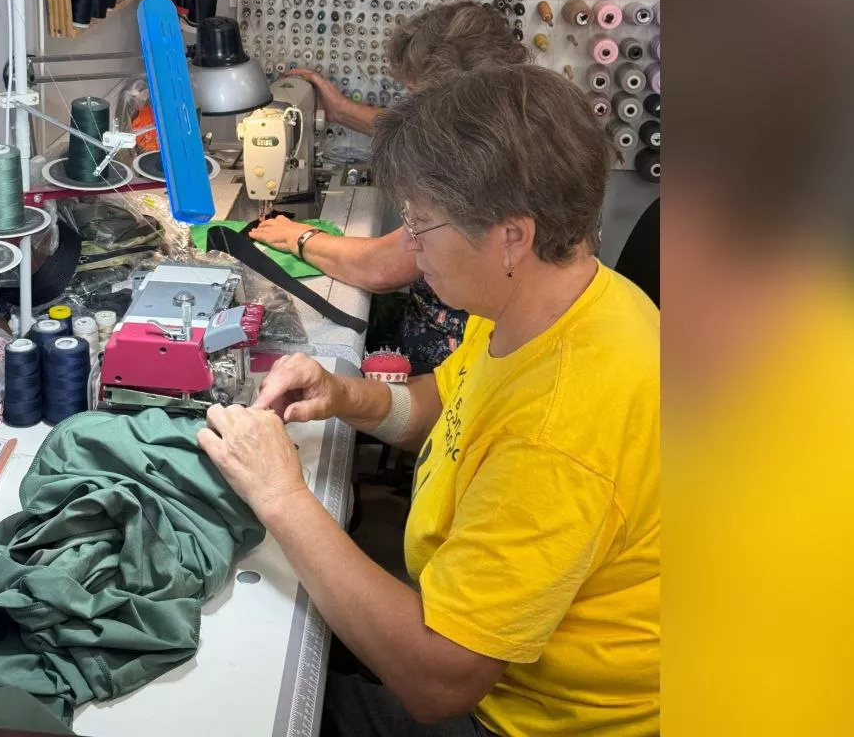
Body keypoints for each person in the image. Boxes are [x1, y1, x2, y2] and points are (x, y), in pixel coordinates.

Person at [197, 64, 660, 736]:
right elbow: (448, 406)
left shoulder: (558, 432)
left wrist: (280, 495)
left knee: (240, 704)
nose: (409, 246)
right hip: (474, 634)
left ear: (512, 237)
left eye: (421, 223)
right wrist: (343, 395)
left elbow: (441, 681)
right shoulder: (547, 302)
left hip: (519, 716)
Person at [251, 0, 530, 375]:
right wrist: (343, 111)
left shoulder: (481, 171)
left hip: (456, 365)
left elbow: (383, 268)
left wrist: (298, 237)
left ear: (455, 101)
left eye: (418, 99)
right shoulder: (516, 120)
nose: (412, 108)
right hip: (444, 332)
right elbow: (422, 127)